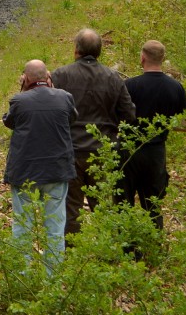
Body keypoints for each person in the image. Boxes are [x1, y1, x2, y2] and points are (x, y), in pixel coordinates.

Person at [50, 28, 136, 234]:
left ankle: (71, 253)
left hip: (69, 150)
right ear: (99, 51)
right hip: (103, 151)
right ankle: (106, 251)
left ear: (76, 50)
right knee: (104, 206)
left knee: (71, 208)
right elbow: (129, 114)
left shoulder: (61, 75)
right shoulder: (113, 78)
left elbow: (50, 112)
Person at [3, 59, 77, 273]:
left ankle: (22, 275)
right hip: (56, 170)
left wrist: (23, 90)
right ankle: (52, 277)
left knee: (22, 226)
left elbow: (10, 122)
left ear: (25, 78)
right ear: (48, 77)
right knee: (55, 227)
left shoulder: (19, 100)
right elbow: (71, 119)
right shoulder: (65, 98)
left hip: (24, 173)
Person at [121, 40, 186, 229]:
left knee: (123, 203)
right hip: (156, 152)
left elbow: (117, 117)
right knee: (153, 205)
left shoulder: (129, 85)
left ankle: (126, 249)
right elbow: (183, 126)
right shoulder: (176, 88)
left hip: (130, 151)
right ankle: (154, 246)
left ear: (142, 58)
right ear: (163, 58)